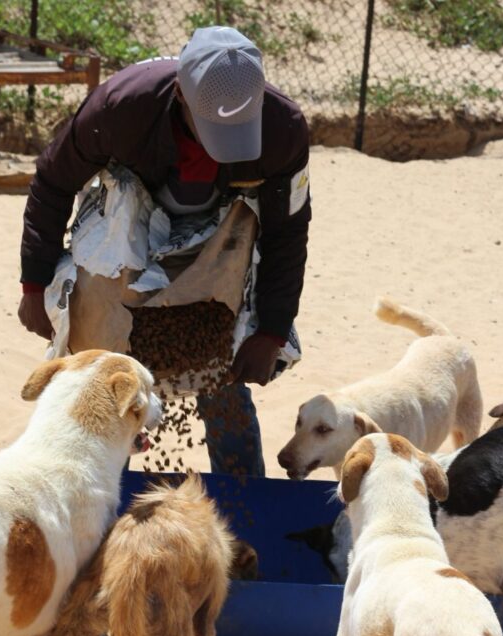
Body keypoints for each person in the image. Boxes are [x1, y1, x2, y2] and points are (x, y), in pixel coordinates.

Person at [16, 26, 311, 477]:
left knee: (220, 369)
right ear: (179, 94)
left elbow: (286, 232)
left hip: (222, 229)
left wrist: (271, 332)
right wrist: (34, 283)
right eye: (211, 129)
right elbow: (54, 182)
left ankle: (242, 491)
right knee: (107, 369)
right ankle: (87, 481)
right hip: (128, 218)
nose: (223, 145)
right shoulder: (121, 108)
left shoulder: (282, 130)